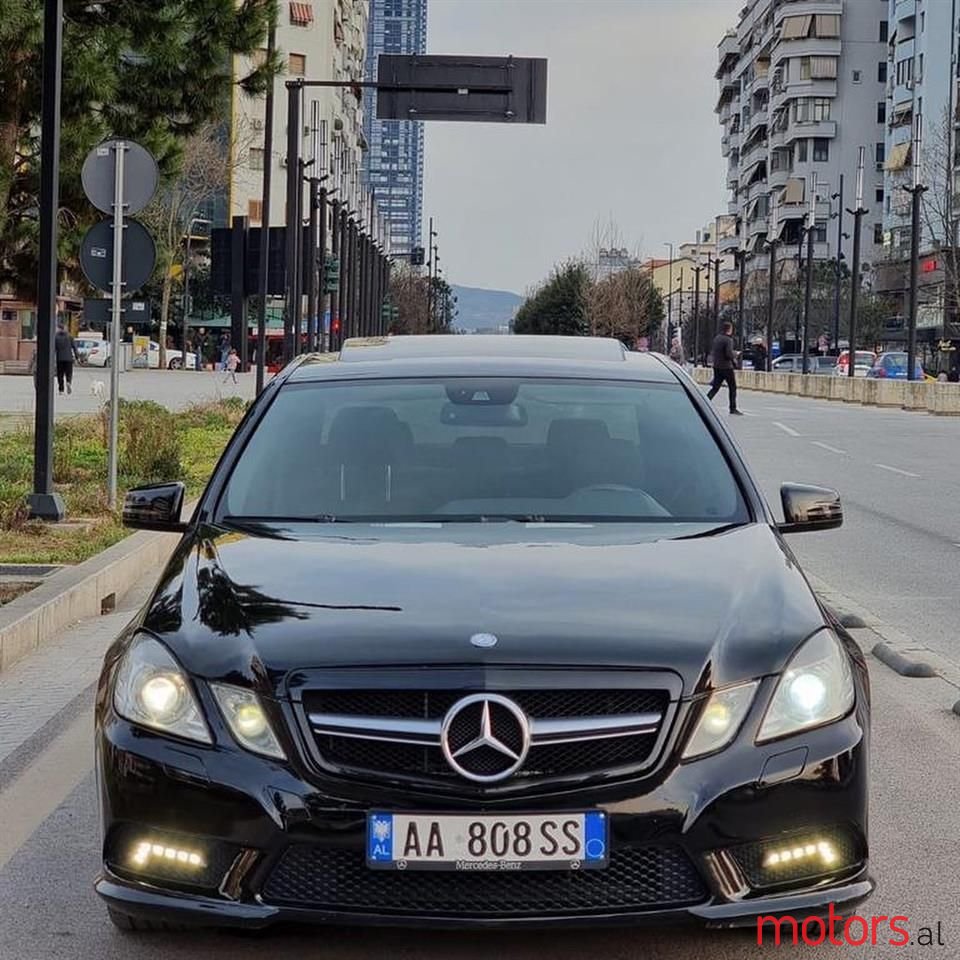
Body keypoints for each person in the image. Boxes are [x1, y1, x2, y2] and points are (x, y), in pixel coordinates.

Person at [707, 321, 742, 415]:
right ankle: (732, 408)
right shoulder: (728, 340)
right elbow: (728, 354)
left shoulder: (717, 338)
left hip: (717, 366)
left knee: (715, 387)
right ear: (729, 329)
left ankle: (705, 402)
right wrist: (736, 354)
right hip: (726, 367)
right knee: (732, 387)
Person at [54, 321, 79, 395]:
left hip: (59, 359)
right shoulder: (70, 336)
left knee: (60, 375)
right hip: (69, 358)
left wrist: (53, 358)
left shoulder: (56, 337)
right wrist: (77, 357)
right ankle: (68, 382)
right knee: (69, 373)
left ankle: (61, 390)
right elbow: (74, 347)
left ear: (59, 328)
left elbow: (53, 349)